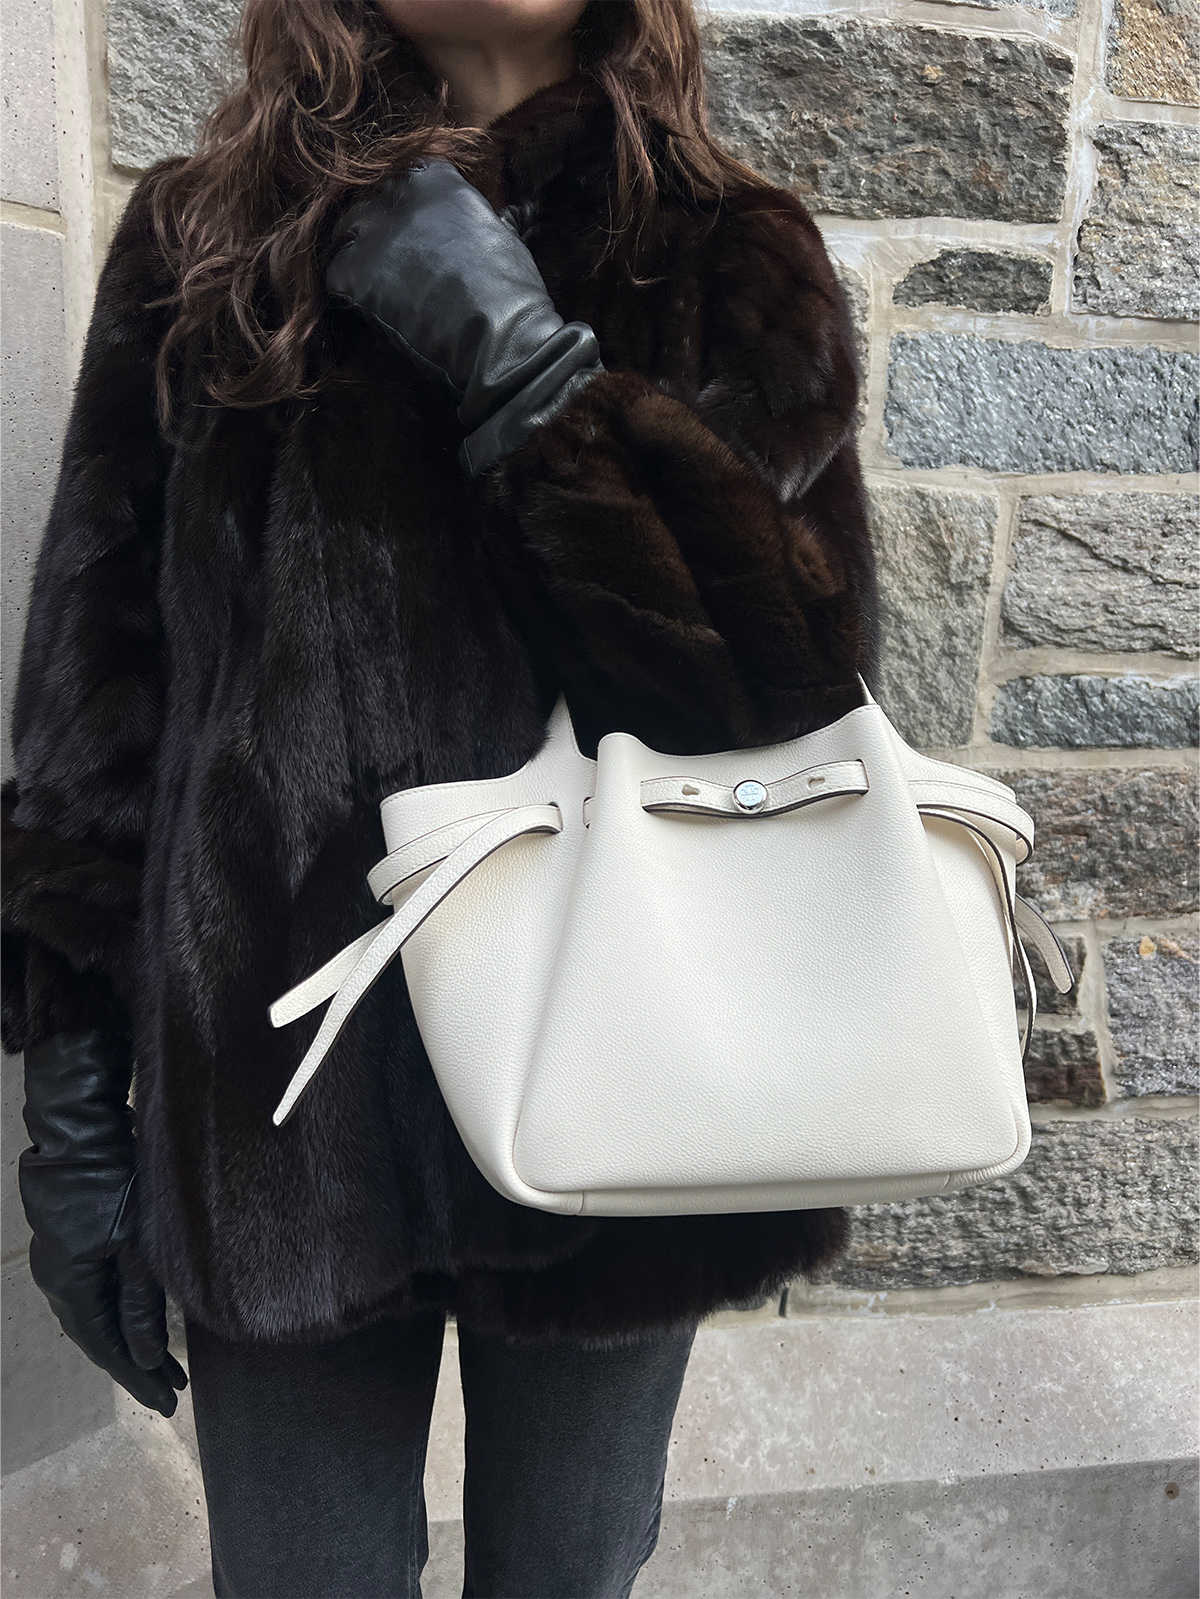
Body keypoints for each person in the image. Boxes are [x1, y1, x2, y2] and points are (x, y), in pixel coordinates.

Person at [3, 1, 877, 1593]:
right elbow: (92, 713)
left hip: (625, 1079)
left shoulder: (728, 252)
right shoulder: (204, 240)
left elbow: (783, 695)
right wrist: (72, 1114)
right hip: (280, 1105)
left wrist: (528, 373)